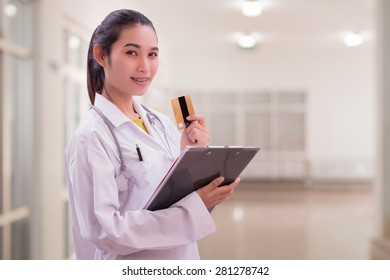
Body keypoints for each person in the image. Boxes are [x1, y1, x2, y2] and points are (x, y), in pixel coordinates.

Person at [64, 9, 240, 260]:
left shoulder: (161, 123)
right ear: (101, 55)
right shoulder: (92, 137)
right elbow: (105, 231)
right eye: (131, 52)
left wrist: (191, 157)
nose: (145, 67)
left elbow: (168, 195)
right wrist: (193, 209)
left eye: (152, 54)